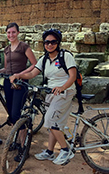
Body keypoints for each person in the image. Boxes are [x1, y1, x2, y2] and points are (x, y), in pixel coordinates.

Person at [10, 28, 77, 165]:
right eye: (47, 42)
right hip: (51, 93)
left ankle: (66, 150)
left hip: (65, 92)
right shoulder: (44, 59)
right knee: (53, 123)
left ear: (58, 43)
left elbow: (73, 76)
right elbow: (32, 73)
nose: (50, 45)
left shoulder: (66, 56)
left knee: (51, 120)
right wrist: (19, 75)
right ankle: (50, 152)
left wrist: (62, 87)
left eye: (53, 42)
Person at [0, 22, 37, 161]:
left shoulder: (23, 47)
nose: (11, 35)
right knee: (11, 113)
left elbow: (34, 64)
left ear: (18, 33)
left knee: (16, 113)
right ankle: (16, 140)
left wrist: (20, 74)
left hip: (20, 83)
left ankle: (24, 146)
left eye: (13, 32)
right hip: (8, 82)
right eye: (8, 33)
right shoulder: (6, 49)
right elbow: (7, 67)